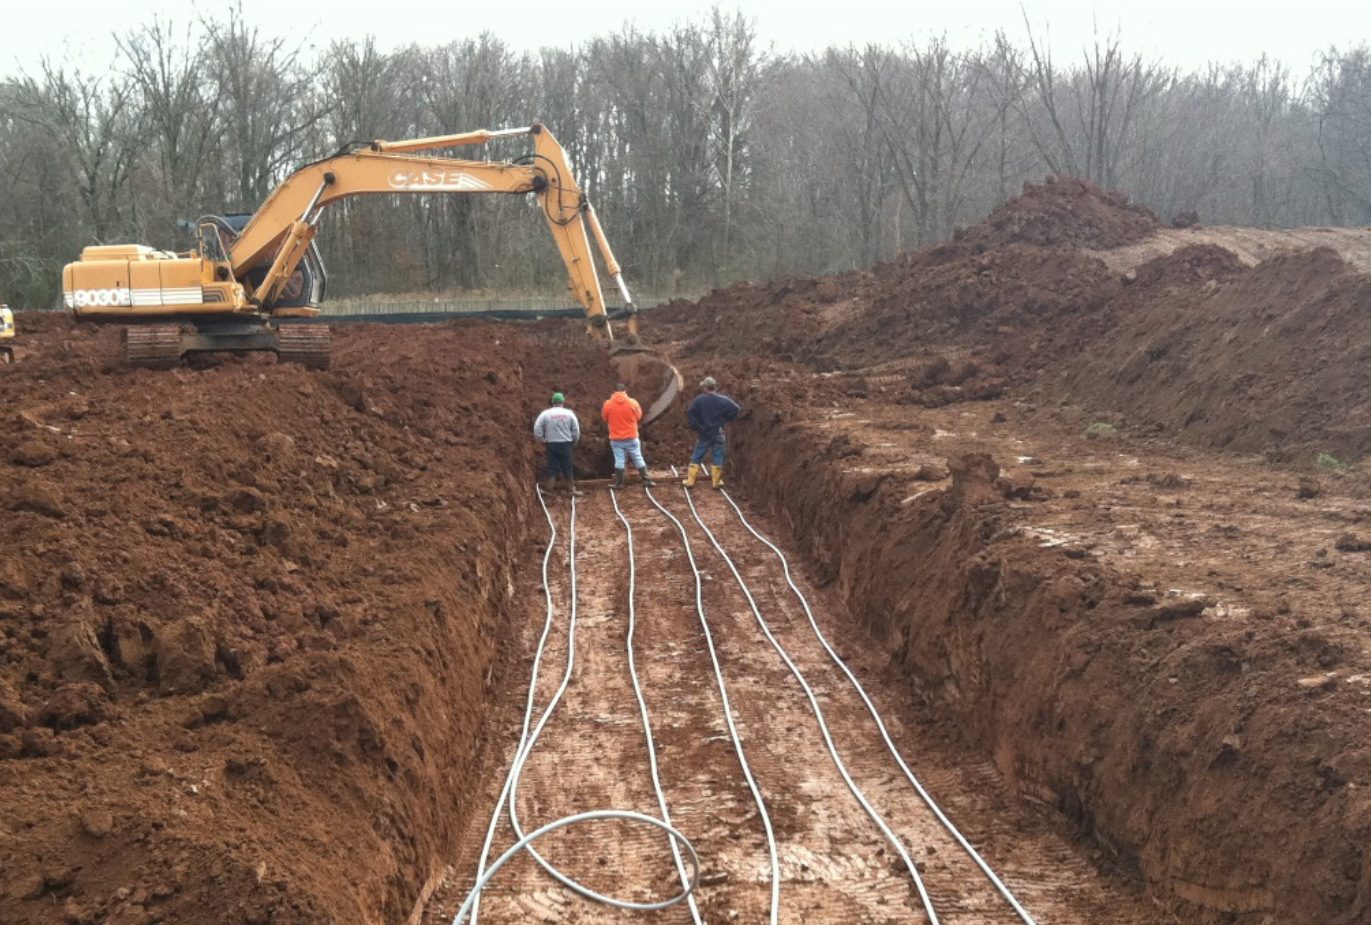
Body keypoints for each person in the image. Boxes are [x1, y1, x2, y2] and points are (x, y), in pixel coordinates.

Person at [683, 376, 741, 489]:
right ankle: (716, 482)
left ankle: (690, 481)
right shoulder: (723, 400)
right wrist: (725, 419)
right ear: (715, 387)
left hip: (704, 432)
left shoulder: (699, 400)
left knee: (698, 454)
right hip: (718, 432)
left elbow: (691, 414)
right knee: (718, 454)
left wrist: (697, 427)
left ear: (705, 387)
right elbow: (736, 409)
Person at [602, 383, 654, 489]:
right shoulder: (633, 403)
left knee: (619, 460)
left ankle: (619, 483)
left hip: (616, 439)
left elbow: (604, 418)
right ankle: (646, 480)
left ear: (614, 392)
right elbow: (638, 416)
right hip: (631, 437)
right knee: (638, 457)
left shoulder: (608, 404)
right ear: (625, 391)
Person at [533, 392, 582, 495]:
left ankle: (549, 489)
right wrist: (574, 441)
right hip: (566, 444)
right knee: (567, 466)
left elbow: (537, 428)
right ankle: (570, 489)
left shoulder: (545, 414)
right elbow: (576, 430)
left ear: (552, 402)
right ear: (563, 402)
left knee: (552, 466)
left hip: (551, 444)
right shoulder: (569, 413)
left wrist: (541, 440)